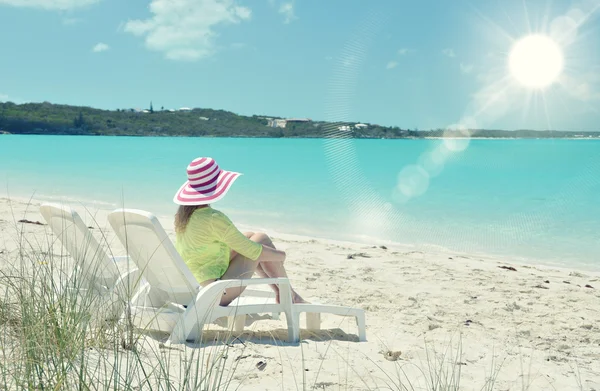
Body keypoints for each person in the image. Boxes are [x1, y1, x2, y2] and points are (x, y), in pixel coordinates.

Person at [173, 156, 306, 306]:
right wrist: (282, 256)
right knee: (260, 239)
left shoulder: (182, 217)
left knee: (249, 236)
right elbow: (252, 251)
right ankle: (289, 295)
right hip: (214, 294)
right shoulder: (213, 218)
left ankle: (286, 293)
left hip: (190, 288)